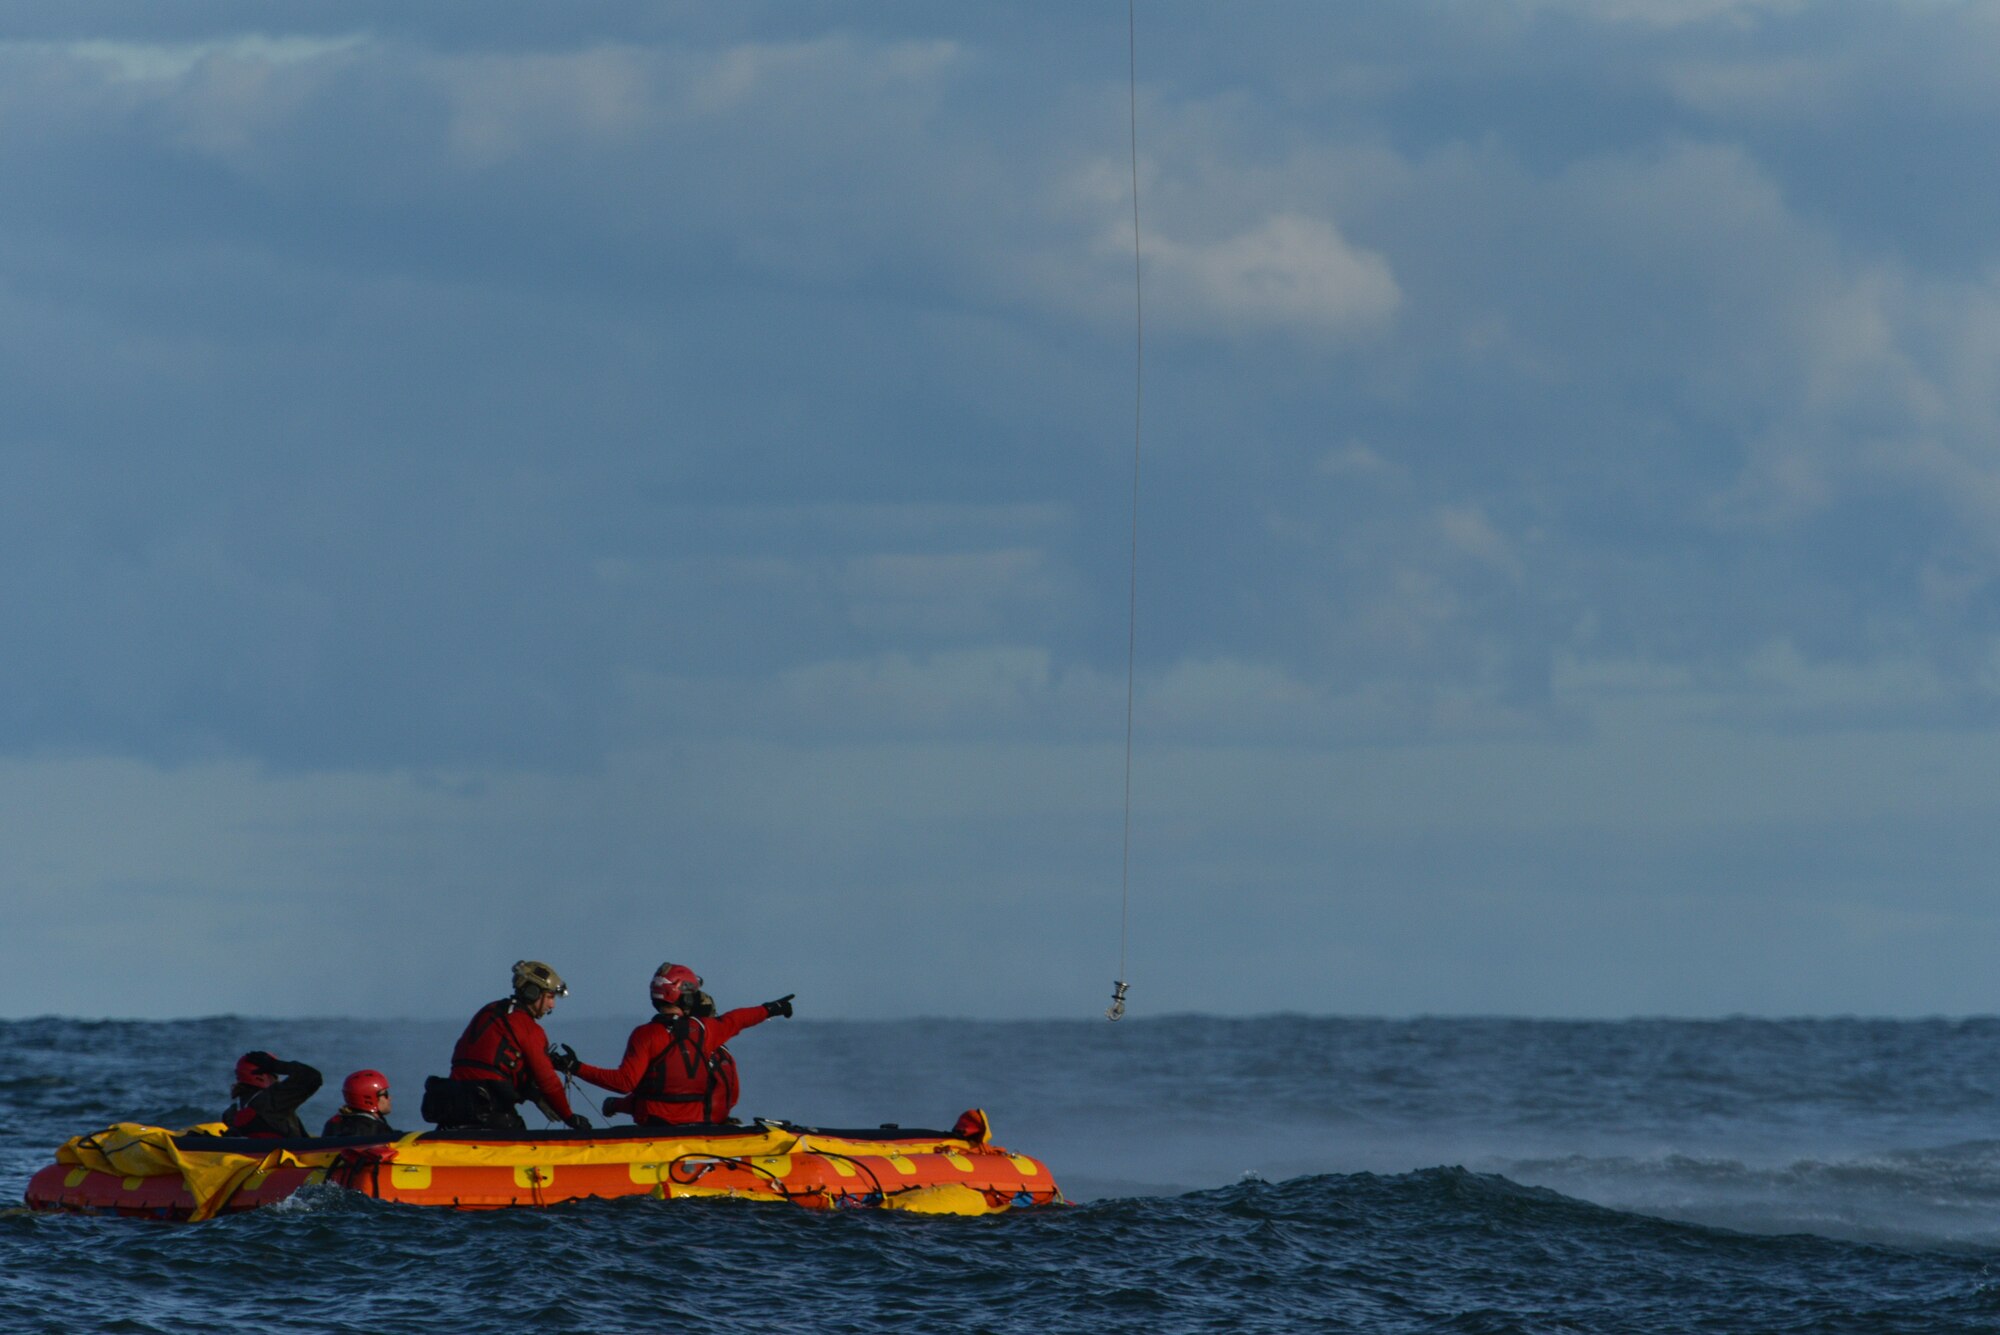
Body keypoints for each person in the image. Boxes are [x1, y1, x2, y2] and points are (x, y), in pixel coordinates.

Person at [552, 963, 792, 1127]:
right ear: (685, 995)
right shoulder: (705, 1029)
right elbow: (737, 1019)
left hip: (655, 1129)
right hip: (697, 1129)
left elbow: (624, 1083)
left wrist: (575, 1067)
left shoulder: (645, 1035)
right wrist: (772, 1008)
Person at [422, 960, 590, 1131]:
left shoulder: (490, 1010)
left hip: (451, 1106)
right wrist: (570, 1118)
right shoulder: (528, 1027)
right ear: (532, 992)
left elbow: (482, 1060)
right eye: (549, 997)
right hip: (488, 1109)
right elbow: (549, 1082)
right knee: (521, 1144)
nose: (552, 1005)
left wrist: (534, 1094)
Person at [224, 1051, 324, 1139]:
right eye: (274, 1074)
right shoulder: (270, 1100)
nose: (278, 1079)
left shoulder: (233, 1111)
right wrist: (276, 1065)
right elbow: (312, 1077)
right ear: (260, 1077)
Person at [322, 1069, 399, 1138]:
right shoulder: (373, 1129)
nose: (389, 1098)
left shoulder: (333, 1123)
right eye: (385, 1094)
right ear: (370, 1099)